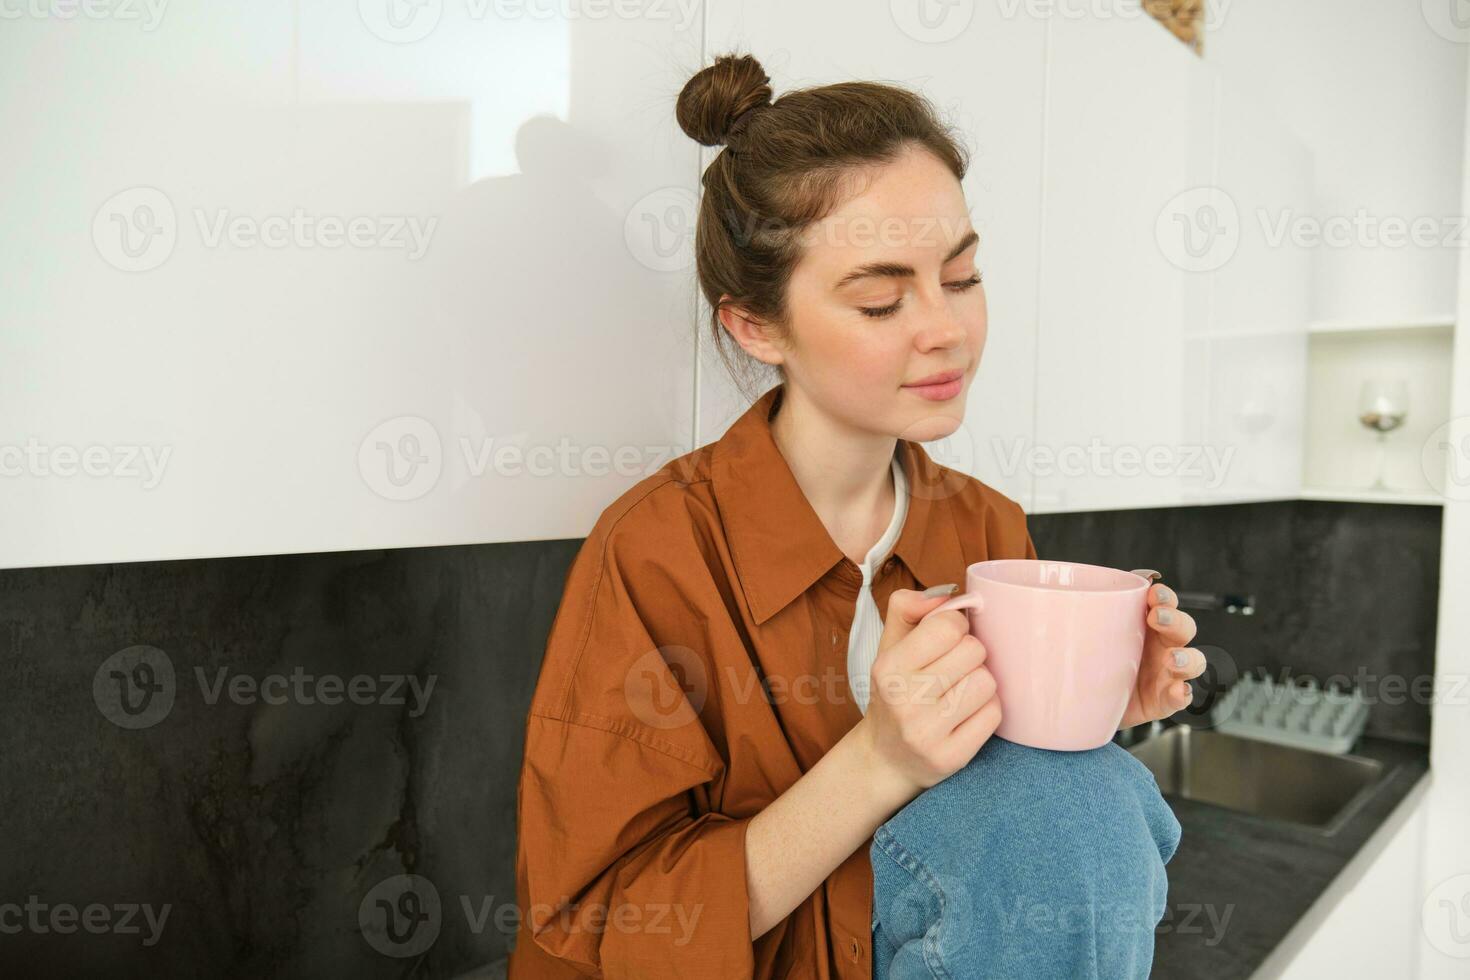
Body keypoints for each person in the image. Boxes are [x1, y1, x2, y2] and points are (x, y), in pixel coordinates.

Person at [508, 52, 1204, 979]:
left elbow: (1002, 846)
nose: (946, 329)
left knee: (1093, 790)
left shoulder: (986, 527)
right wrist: (878, 760)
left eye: (961, 278)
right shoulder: (656, 551)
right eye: (882, 300)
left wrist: (1089, 711)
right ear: (757, 328)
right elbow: (596, 928)